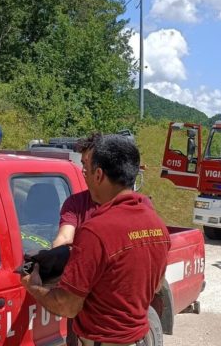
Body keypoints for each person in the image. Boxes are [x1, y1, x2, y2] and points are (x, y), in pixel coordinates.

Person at [21, 134, 170, 346]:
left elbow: (68, 306)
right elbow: (155, 286)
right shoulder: (157, 225)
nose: (85, 174)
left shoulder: (96, 231)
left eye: (87, 168)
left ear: (98, 174)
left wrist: (34, 288)